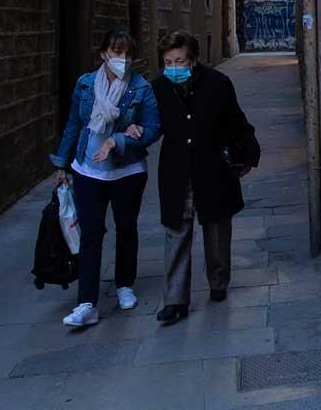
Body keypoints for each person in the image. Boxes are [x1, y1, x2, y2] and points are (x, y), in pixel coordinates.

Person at [50, 28, 161, 327]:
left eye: (126, 53)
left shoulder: (141, 88)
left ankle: (125, 284)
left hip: (127, 170)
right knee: (91, 233)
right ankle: (87, 302)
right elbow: (74, 124)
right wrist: (62, 163)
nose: (121, 58)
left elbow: (153, 128)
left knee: (126, 228)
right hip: (88, 170)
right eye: (115, 52)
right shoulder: (86, 85)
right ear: (103, 54)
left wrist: (124, 138)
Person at [152, 31, 260, 324]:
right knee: (176, 230)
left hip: (212, 166)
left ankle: (218, 281)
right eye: (168, 62)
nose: (174, 67)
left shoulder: (217, 83)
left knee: (216, 229)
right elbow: (150, 126)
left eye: (180, 61)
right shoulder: (159, 88)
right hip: (176, 171)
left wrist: (247, 154)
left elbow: (236, 121)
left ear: (194, 59)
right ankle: (175, 300)